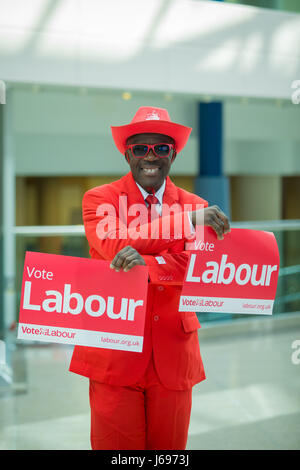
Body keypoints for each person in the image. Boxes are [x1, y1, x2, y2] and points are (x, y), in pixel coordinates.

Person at [69, 106, 230, 450]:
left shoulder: (196, 203)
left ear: (173, 153)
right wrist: (186, 224)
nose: (150, 157)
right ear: (127, 154)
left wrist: (144, 263)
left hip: (173, 351)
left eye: (160, 148)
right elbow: (113, 243)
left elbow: (196, 268)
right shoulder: (99, 199)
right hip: (114, 352)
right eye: (141, 148)